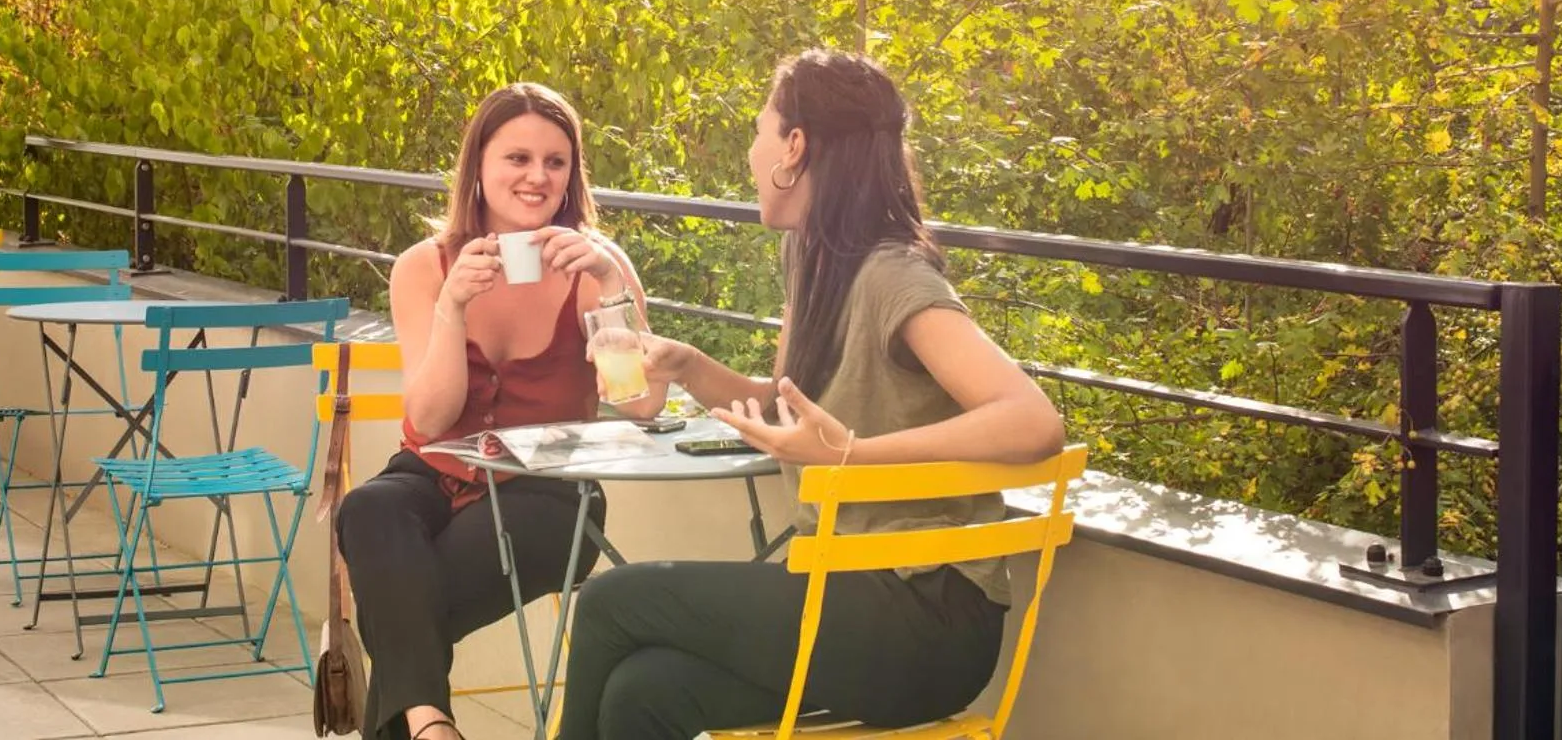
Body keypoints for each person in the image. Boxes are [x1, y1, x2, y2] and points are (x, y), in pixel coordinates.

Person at [557, 49, 1067, 740]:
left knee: (611, 601)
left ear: (794, 146)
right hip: (851, 594)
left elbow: (1034, 422)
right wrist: (689, 365)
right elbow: (785, 406)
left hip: (927, 616)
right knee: (642, 694)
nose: (750, 152)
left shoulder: (892, 275)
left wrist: (849, 453)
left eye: (758, 130)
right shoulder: (814, 257)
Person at [337, 82, 664, 740]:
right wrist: (452, 306)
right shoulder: (424, 267)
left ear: (572, 176)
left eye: (555, 161)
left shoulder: (595, 266)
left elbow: (642, 402)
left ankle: (424, 724)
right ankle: (433, 726)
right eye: (518, 158)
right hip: (433, 469)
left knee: (399, 603)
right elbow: (430, 419)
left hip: (547, 492)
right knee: (368, 507)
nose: (537, 176)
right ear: (479, 167)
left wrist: (609, 287)